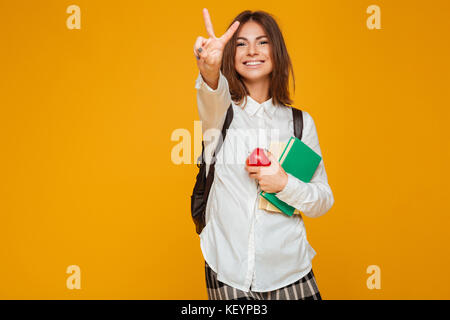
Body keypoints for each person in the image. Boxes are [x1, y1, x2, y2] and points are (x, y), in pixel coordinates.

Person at [193, 8, 334, 300]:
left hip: (289, 268)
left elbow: (322, 200)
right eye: (241, 44)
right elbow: (211, 92)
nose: (252, 51)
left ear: (276, 51)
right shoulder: (220, 114)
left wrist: (284, 185)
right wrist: (209, 69)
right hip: (227, 268)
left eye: (262, 41)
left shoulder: (300, 122)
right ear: (231, 54)